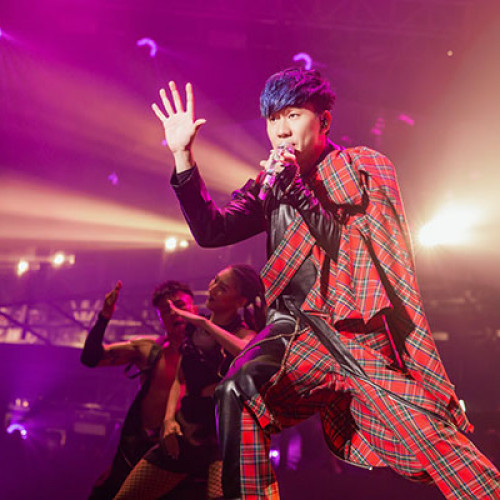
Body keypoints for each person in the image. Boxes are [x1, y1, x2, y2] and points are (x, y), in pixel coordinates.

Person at [152, 69, 500, 499]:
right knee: (236, 390)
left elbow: (355, 252)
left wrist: (297, 189)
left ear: (324, 121)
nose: (281, 130)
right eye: (272, 119)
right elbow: (211, 231)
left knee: (429, 434)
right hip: (292, 330)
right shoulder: (269, 184)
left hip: (356, 333)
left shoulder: (361, 167)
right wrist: (183, 157)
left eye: (293, 115)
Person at [114, 264, 266, 500]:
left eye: (223, 288)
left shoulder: (243, 334)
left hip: (221, 438)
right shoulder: (193, 330)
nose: (212, 289)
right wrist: (168, 421)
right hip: (186, 430)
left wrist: (205, 324)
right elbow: (179, 378)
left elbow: (247, 354)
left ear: (240, 301)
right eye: (215, 280)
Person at [81, 280, 196, 499]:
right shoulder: (147, 349)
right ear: (160, 318)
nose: (174, 313)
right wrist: (104, 316)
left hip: (185, 450)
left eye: (180, 305)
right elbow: (90, 358)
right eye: (166, 310)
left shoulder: (211, 352)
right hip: (140, 447)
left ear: (195, 309)